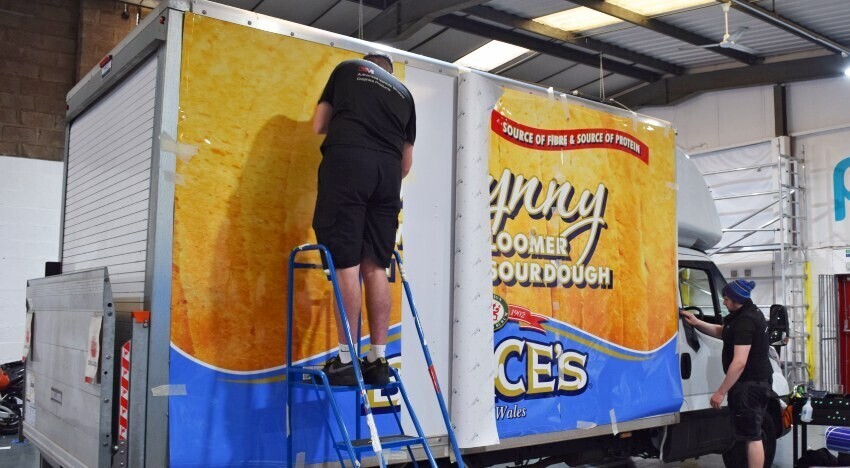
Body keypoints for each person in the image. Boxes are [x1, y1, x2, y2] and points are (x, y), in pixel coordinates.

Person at [311, 51, 416, 386]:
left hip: (347, 161)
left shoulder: (346, 69)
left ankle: (345, 359)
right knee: (376, 265)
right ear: (389, 73)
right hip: (388, 176)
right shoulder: (405, 94)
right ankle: (378, 358)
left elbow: (318, 125)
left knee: (346, 262)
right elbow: (406, 164)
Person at [680, 279, 772, 468]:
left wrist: (721, 392)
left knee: (752, 437)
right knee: (749, 435)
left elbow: (739, 363)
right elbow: (725, 332)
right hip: (755, 384)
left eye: (727, 299)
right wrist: (697, 322)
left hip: (750, 386)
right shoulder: (743, 315)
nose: (724, 302)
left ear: (737, 300)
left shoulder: (746, 320)